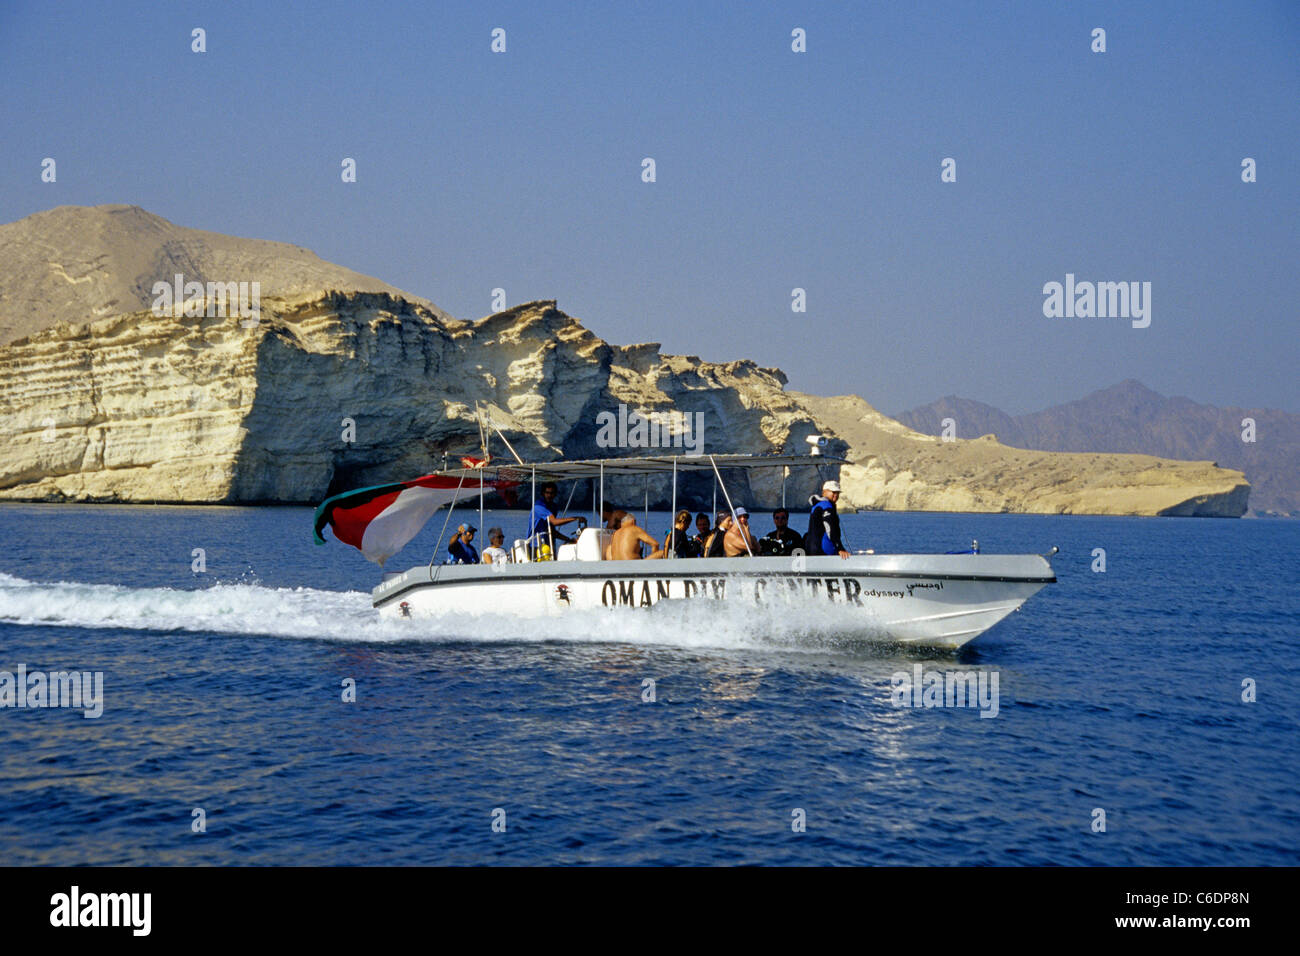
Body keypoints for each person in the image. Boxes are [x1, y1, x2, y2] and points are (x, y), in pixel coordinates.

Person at [530, 481, 580, 554]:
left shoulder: (553, 507)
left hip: (549, 543)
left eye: (552, 493)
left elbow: (552, 530)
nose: (549, 495)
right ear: (543, 493)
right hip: (536, 545)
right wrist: (575, 518)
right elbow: (555, 522)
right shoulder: (539, 506)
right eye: (547, 493)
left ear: (555, 494)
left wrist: (568, 539)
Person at [805, 480, 850, 559]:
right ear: (825, 492)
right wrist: (839, 548)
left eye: (837, 493)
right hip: (824, 551)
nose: (836, 495)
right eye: (833, 492)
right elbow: (829, 527)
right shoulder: (826, 506)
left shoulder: (817, 505)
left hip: (813, 551)